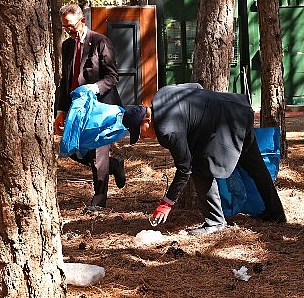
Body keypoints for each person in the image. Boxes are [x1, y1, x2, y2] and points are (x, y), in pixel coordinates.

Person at [122, 83, 286, 235]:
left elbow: (185, 168)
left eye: (140, 132)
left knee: (200, 169)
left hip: (226, 124)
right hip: (238, 110)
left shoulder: (167, 130)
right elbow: (196, 86)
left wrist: (167, 202)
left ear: (147, 120)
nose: (142, 138)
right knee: (255, 166)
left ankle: (215, 222)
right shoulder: (162, 95)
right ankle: (276, 213)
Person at [53, 4, 125, 213]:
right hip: (77, 107)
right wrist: (61, 111)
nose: (68, 30)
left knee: (98, 153)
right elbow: (66, 81)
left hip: (101, 106)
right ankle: (114, 165)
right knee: (72, 148)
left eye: (71, 26)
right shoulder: (67, 46)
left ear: (82, 21)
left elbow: (113, 77)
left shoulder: (101, 42)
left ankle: (99, 199)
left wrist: (94, 87)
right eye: (64, 27)